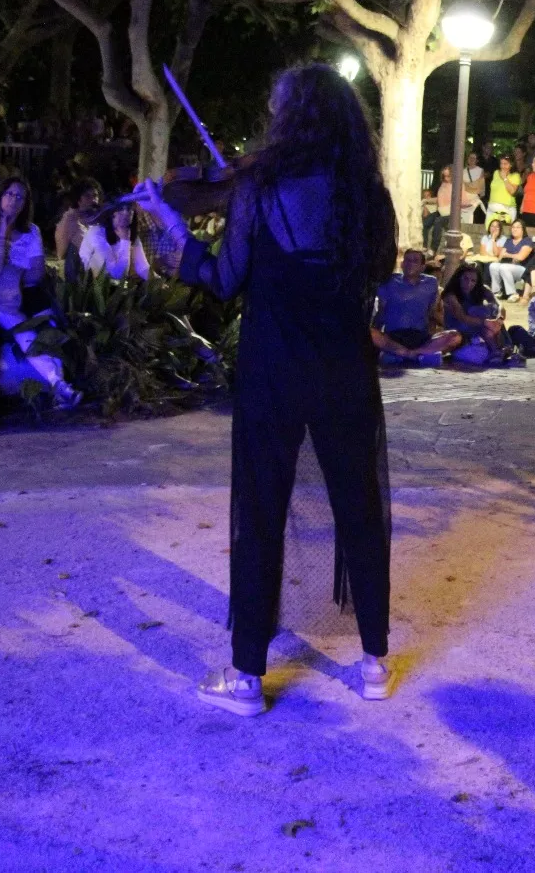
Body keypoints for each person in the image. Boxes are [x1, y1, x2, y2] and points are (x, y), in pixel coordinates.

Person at [132, 63, 398, 714]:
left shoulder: (259, 186)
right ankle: (373, 662)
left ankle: (247, 676)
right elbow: (381, 271)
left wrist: (168, 225)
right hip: (343, 372)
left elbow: (224, 279)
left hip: (272, 372)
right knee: (359, 508)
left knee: (261, 516)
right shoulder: (365, 192)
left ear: (291, 116)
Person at [0, 178, 80, 408]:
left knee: (49, 327)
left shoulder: (31, 231)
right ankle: (59, 385)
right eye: (9, 194)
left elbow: (36, 273)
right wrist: (3, 237)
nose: (13, 200)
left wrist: (11, 272)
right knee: (23, 329)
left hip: (29, 291)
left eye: (20, 197)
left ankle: (60, 388)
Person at [373, 248, 461, 366]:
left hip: (420, 337)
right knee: (370, 333)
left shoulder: (431, 282)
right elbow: (381, 312)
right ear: (402, 264)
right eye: (407, 260)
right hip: (394, 336)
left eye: (415, 261)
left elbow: (432, 312)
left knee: (455, 336)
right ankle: (414, 355)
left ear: (422, 267)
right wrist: (375, 335)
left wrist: (444, 328)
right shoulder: (390, 281)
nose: (410, 264)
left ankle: (410, 354)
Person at [442, 263, 511, 364]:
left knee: (492, 309)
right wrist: (487, 322)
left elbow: (499, 305)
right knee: (477, 311)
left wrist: (499, 319)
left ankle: (499, 349)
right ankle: (500, 348)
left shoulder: (482, 289)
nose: (469, 283)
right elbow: (462, 317)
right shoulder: (451, 295)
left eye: (473, 280)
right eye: (465, 278)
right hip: (458, 328)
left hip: (480, 327)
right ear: (459, 278)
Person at [79, 202, 151, 281]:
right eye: (120, 209)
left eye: (129, 209)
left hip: (112, 288)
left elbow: (143, 268)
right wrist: (125, 241)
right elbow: (117, 275)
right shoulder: (96, 233)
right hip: (90, 287)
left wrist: (159, 283)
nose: (126, 213)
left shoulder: (128, 233)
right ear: (110, 212)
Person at [55, 179, 102, 264]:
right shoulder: (71, 219)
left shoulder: (93, 219)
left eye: (95, 196)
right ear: (78, 199)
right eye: (87, 196)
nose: (93, 200)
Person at [489, 220, 535, 302]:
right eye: (513, 227)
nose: (515, 229)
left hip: (523, 269)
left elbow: (521, 257)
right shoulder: (509, 241)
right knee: (493, 265)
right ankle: (497, 291)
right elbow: (500, 257)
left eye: (518, 227)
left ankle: (513, 293)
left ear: (523, 230)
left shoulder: (527, 240)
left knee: (504, 267)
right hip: (508, 266)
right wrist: (513, 256)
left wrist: (508, 254)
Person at [486, 154, 521, 226]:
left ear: (511, 164)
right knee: (489, 231)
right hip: (491, 207)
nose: (502, 166)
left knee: (503, 232)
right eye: (501, 163)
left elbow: (512, 192)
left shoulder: (515, 175)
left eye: (505, 164)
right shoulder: (496, 173)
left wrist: (505, 178)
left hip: (507, 208)